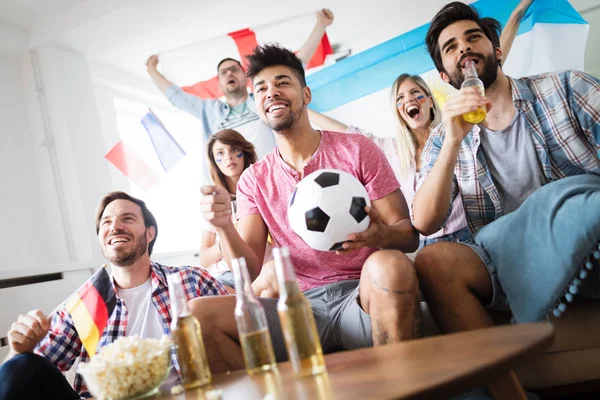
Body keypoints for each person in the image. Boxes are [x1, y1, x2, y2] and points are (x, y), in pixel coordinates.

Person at [190, 44, 420, 373]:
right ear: (256, 105)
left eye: (282, 82)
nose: (272, 93)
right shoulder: (254, 179)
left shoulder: (357, 150)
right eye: (261, 89)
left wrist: (380, 234)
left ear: (306, 94)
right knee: (199, 315)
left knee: (391, 264)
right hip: (298, 307)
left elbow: (408, 236)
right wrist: (225, 226)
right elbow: (250, 269)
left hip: (361, 295)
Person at [412, 0, 599, 355]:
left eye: (473, 37)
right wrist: (452, 141)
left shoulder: (567, 87)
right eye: (450, 47)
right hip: (509, 255)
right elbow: (424, 221)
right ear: (444, 76)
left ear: (497, 50)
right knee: (432, 262)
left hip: (587, 238)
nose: (464, 47)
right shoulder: (442, 137)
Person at [0, 192, 227, 399]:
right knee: (18, 367)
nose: (115, 226)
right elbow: (22, 374)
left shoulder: (192, 280)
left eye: (127, 218)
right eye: (106, 222)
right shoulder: (85, 303)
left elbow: (237, 334)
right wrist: (18, 350)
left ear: (150, 233)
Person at [146, 9, 335, 182]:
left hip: (274, 179)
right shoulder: (208, 110)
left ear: (245, 78)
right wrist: (152, 70)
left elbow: (295, 66)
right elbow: (177, 97)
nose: (229, 74)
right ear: (219, 83)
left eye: (234, 69)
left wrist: (321, 25)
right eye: (224, 72)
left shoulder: (264, 101)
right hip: (233, 188)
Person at [200, 128, 272, 290]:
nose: (229, 157)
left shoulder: (266, 190)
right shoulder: (215, 201)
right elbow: (204, 259)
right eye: (220, 153)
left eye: (234, 149)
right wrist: (229, 239)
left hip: (263, 271)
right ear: (214, 162)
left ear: (244, 152)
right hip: (224, 275)